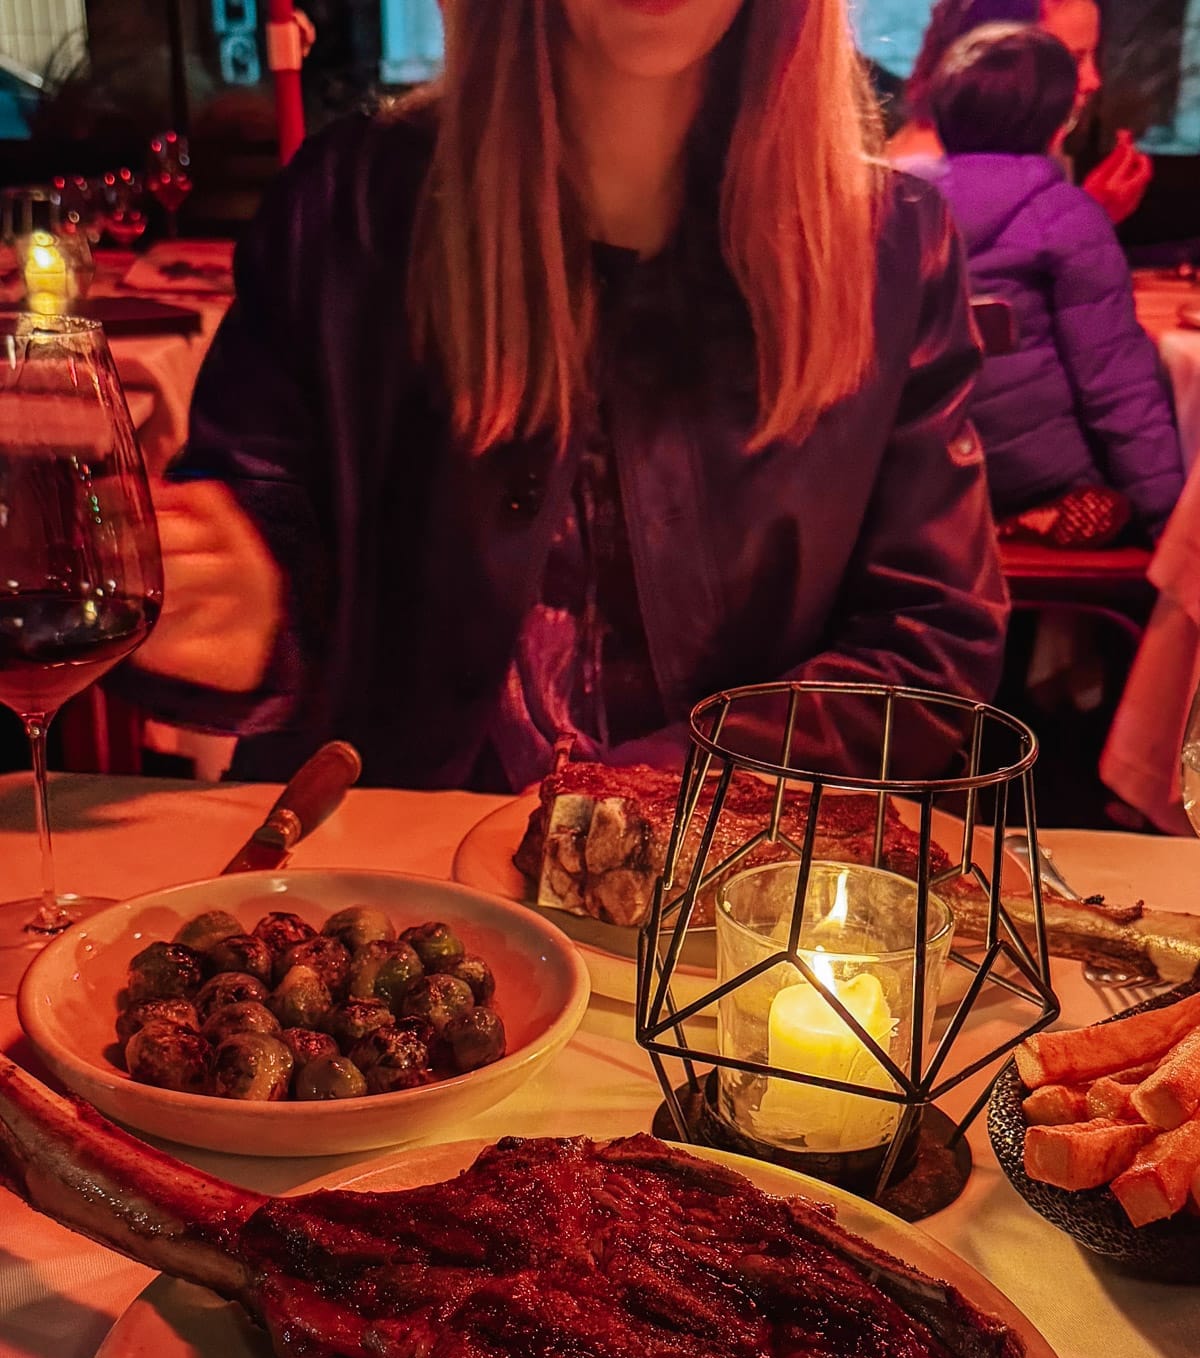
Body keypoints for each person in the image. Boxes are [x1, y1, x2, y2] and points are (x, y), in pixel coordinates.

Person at [123, 0, 1007, 789]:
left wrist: (636, 796)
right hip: (389, 895)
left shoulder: (892, 248)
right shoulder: (347, 209)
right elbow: (263, 553)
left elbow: (930, 646)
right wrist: (249, 628)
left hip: (719, 901)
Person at [925, 24, 1184, 539]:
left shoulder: (891, 209)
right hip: (1037, 479)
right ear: (1055, 121)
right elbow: (1116, 386)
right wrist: (1168, 520)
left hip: (918, 480)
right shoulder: (1063, 215)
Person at [889, 0, 1153, 228]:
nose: (1093, 80)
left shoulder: (1030, 152)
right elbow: (973, 278)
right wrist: (1088, 214)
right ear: (992, 62)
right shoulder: (918, 179)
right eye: (1071, 60)